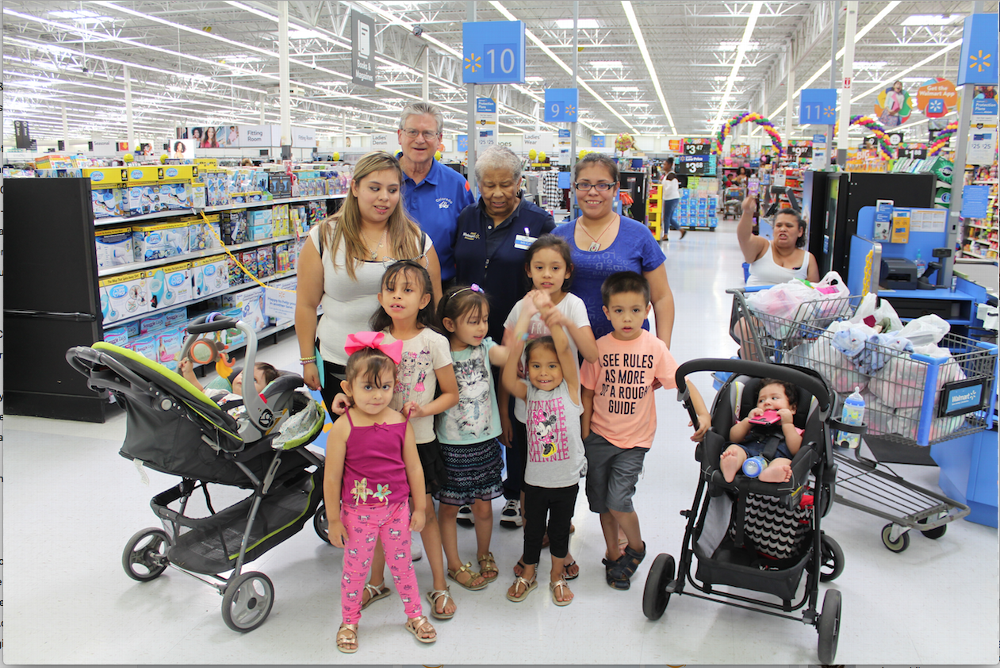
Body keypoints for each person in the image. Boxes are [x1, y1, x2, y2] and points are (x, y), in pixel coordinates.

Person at [331, 260, 460, 620]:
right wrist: (342, 398)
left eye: (407, 289)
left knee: (425, 514)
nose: (397, 296)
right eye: (391, 289)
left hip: (419, 441)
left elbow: (452, 394)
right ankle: (377, 582)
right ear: (380, 297)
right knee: (374, 518)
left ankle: (439, 585)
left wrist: (423, 410)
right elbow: (359, 385)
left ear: (424, 300)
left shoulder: (434, 341)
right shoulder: (374, 341)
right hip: (377, 447)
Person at [580, 271, 710, 591]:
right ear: (607, 312)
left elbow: (682, 381)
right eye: (619, 310)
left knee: (618, 500)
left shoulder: (654, 347)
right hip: (598, 437)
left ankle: (636, 548)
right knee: (601, 503)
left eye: (635, 310)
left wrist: (703, 413)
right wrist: (584, 435)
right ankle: (614, 555)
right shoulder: (598, 349)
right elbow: (587, 393)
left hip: (635, 441)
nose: (627, 318)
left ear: (647, 310)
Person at [295, 151, 443, 422]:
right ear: (355, 187)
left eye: (392, 190)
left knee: (402, 441)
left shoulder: (416, 241)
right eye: (374, 188)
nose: (384, 197)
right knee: (353, 439)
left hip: (404, 367)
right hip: (340, 364)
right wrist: (307, 360)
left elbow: (434, 304)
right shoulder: (324, 237)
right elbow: (306, 304)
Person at [453, 145, 555, 528]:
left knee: (516, 413)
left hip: (519, 333)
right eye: (488, 185)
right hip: (469, 335)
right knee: (470, 407)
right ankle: (471, 489)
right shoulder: (466, 217)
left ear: (519, 181)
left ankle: (515, 492)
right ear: (477, 184)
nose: (497, 193)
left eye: (505, 184)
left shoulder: (539, 222)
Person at [324, 335, 435, 652]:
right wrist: (334, 519)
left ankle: (414, 615)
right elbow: (331, 478)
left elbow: (414, 469)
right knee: (354, 571)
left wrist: (419, 507)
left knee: (404, 567)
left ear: (395, 386)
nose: (377, 395)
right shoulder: (343, 427)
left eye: (385, 387)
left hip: (397, 510)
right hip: (357, 514)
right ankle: (349, 622)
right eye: (368, 387)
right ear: (348, 388)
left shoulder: (400, 422)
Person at [501, 234, 596, 577]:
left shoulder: (573, 305)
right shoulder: (521, 307)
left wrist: (558, 319)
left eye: (555, 268)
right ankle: (532, 540)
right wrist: (504, 413)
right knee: (532, 480)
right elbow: (508, 358)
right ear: (528, 270)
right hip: (529, 408)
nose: (546, 274)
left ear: (567, 271)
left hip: (564, 409)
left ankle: (560, 546)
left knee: (562, 484)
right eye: (539, 267)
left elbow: (587, 353)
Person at [502, 292, 586, 606]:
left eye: (552, 366)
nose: (544, 372)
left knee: (561, 531)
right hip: (535, 481)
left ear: (564, 369)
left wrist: (552, 316)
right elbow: (508, 374)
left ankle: (556, 575)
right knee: (533, 530)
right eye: (536, 366)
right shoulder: (529, 393)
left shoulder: (571, 391)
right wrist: (524, 319)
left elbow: (564, 349)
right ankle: (529, 572)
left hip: (565, 481)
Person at [553, 153, 676, 346]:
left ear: (615, 188)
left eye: (602, 185)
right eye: (584, 184)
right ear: (575, 187)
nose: (592, 192)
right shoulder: (558, 237)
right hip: (570, 349)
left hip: (629, 352)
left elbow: (661, 297)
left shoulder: (639, 235)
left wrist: (663, 350)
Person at [434, 284, 509, 592]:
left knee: (483, 507)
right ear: (450, 324)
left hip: (485, 443)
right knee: (449, 508)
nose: (482, 327)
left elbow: (508, 355)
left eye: (485, 320)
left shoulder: (486, 347)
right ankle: (454, 563)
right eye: (474, 321)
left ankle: (484, 552)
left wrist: (524, 321)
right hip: (451, 446)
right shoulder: (439, 352)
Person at [397, 102, 475, 286]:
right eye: (412, 132)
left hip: (440, 288)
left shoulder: (457, 185)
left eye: (428, 133)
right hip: (387, 289)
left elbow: (470, 242)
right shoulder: (379, 179)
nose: (420, 139)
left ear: (439, 139)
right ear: (400, 135)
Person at [722, 378, 802, 484]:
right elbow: (733, 438)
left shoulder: (793, 429)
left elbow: (796, 450)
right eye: (761, 401)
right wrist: (748, 421)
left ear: (792, 408)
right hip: (747, 458)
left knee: (785, 462)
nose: (767, 402)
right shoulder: (751, 423)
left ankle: (770, 473)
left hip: (776, 459)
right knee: (734, 449)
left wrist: (787, 424)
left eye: (774, 398)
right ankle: (730, 467)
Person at [738, 195, 819, 287]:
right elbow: (744, 238)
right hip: (756, 296)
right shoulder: (763, 247)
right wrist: (747, 213)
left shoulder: (808, 259)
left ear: (800, 231)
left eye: (789, 226)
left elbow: (814, 290)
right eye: (779, 225)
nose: (783, 229)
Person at [661, 157, 684, 240]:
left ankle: (666, 235)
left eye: (665, 164)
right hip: (673, 198)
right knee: (669, 217)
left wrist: (662, 193)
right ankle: (681, 230)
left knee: (666, 217)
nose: (663, 166)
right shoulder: (669, 175)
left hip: (670, 198)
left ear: (669, 165)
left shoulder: (670, 175)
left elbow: (669, 188)